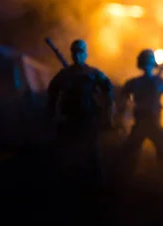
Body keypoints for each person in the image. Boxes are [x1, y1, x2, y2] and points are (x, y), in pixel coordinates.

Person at [47, 39, 113, 186]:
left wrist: (106, 111)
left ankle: (96, 184)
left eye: (80, 52)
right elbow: (53, 91)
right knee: (64, 154)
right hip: (70, 118)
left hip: (88, 118)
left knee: (92, 154)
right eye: (75, 52)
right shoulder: (65, 74)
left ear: (85, 54)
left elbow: (108, 88)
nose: (77, 55)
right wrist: (51, 113)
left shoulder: (92, 73)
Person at [119, 49, 163, 164]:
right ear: (141, 65)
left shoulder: (160, 82)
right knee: (128, 153)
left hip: (154, 122)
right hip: (140, 120)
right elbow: (122, 96)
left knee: (162, 151)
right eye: (146, 64)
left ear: (153, 65)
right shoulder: (135, 83)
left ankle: (162, 176)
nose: (147, 67)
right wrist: (121, 115)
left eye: (149, 64)